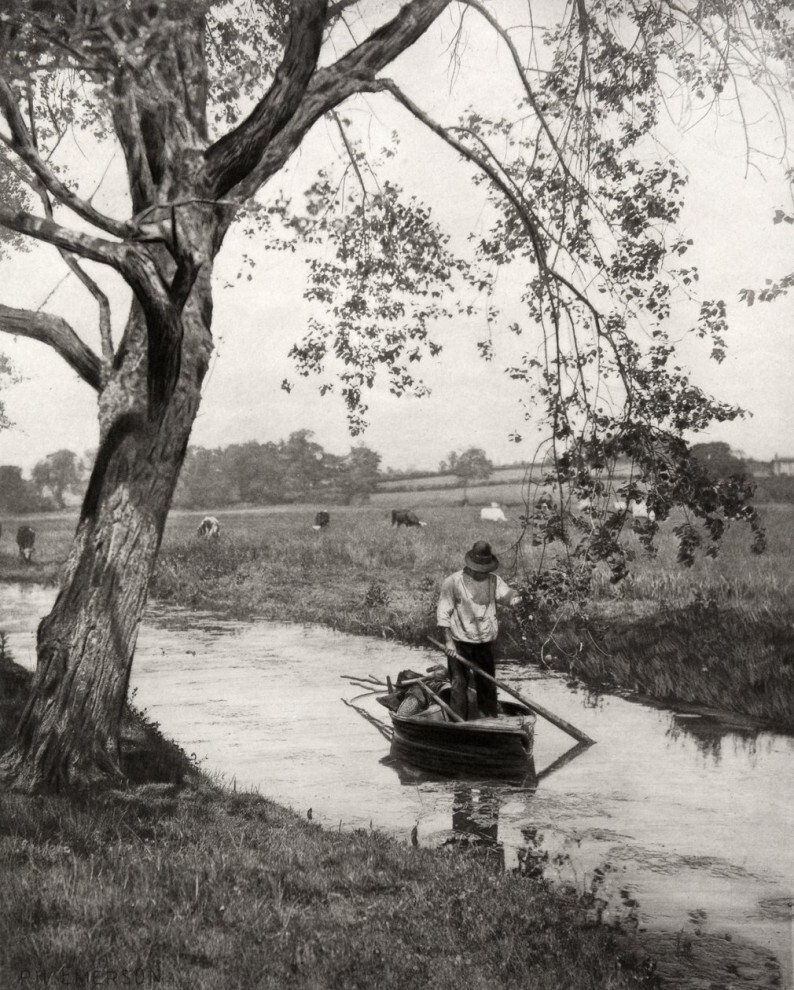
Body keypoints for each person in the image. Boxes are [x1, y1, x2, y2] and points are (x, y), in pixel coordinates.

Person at [436, 540, 519, 720]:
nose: (483, 573)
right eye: (479, 569)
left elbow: (507, 595)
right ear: (471, 565)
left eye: (486, 569)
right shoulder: (453, 582)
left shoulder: (494, 581)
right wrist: (448, 641)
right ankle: (458, 724)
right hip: (459, 643)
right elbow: (443, 613)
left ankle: (489, 720)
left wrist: (517, 598)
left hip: (485, 643)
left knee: (487, 684)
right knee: (459, 685)